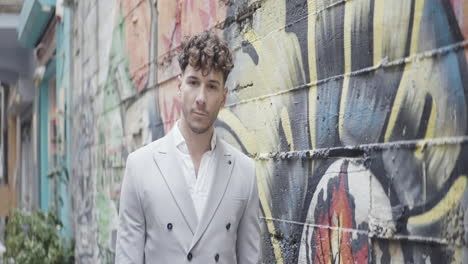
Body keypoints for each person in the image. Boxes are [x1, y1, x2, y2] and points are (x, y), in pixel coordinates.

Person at [115, 30, 260, 264]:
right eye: (194, 82)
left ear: (223, 97)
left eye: (212, 86)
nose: (201, 98)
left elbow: (250, 259)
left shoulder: (245, 172)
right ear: (180, 85)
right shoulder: (140, 166)